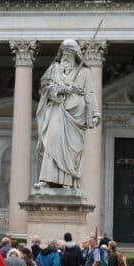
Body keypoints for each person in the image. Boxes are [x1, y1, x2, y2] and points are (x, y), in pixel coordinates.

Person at [35, 40, 101, 190]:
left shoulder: (84, 72)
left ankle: (68, 180)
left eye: (70, 53)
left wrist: (95, 113)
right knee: (52, 141)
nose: (66, 57)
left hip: (76, 116)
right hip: (57, 109)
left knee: (71, 150)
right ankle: (46, 179)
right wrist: (63, 90)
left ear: (76, 55)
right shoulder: (54, 69)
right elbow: (44, 88)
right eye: (64, 53)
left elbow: (90, 93)